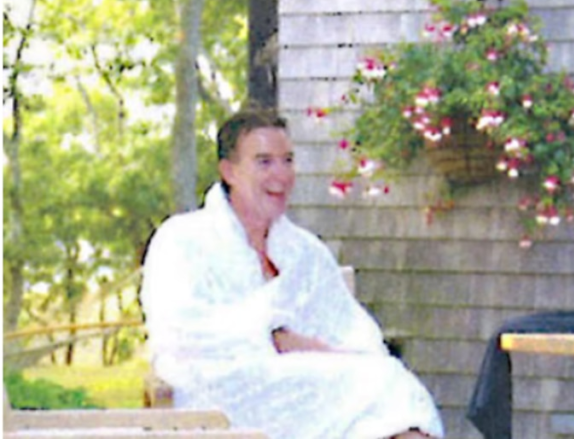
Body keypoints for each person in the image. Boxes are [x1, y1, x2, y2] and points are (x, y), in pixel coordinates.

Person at [140, 108, 444, 439]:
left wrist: (324, 352)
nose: (281, 175)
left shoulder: (304, 251)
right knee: (386, 388)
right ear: (229, 171)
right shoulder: (182, 239)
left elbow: (352, 329)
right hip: (218, 392)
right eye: (264, 162)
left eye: (288, 160)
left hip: (313, 388)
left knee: (389, 387)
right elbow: (178, 332)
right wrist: (272, 338)